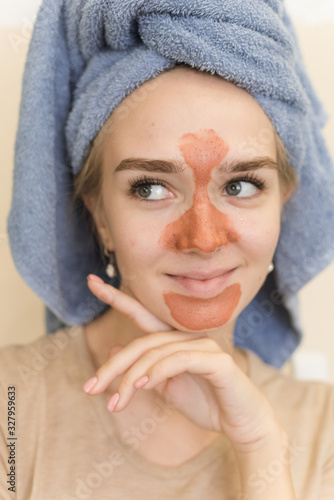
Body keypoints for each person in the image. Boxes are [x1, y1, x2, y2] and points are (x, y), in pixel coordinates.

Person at [1, 1, 334, 499]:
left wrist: (260, 446)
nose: (202, 239)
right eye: (150, 188)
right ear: (99, 216)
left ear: (284, 206)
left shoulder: (325, 428)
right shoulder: (10, 404)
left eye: (242, 185)